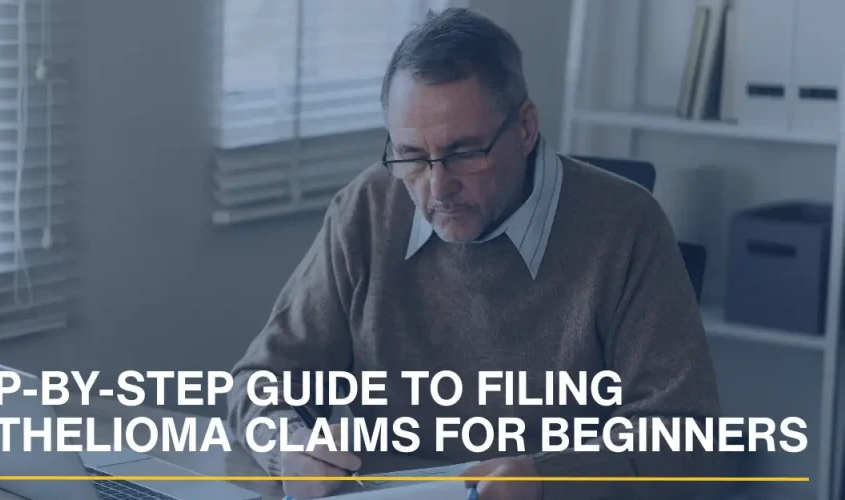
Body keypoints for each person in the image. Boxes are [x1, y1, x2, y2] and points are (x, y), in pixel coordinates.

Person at [227, 7, 725, 500]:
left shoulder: (626, 225)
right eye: (412, 157)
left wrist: (548, 479)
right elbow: (260, 382)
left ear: (525, 128)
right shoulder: (368, 208)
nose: (437, 188)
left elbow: (685, 436)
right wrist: (288, 447)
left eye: (464, 153)